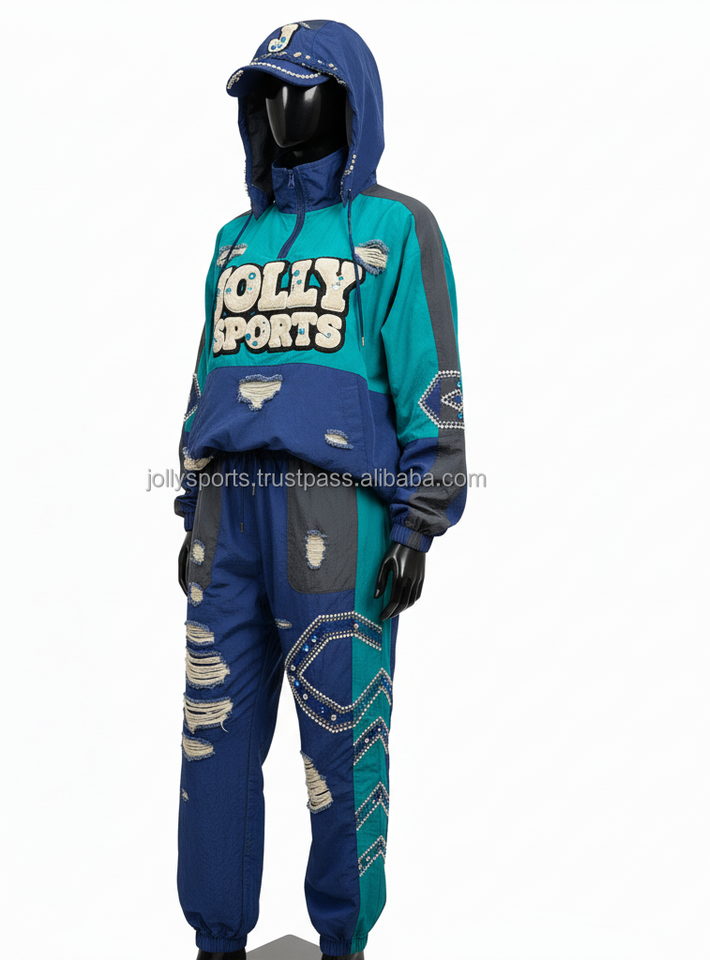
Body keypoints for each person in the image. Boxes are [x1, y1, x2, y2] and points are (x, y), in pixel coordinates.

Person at [173, 20, 466, 960]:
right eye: (264, 92)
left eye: (298, 87)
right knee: (212, 739)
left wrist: (417, 524)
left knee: (341, 744)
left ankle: (343, 942)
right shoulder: (233, 242)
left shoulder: (395, 228)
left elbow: (428, 376)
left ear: (349, 102)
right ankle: (216, 938)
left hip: (336, 516)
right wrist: (189, 506)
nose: (277, 108)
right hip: (226, 517)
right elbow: (207, 377)